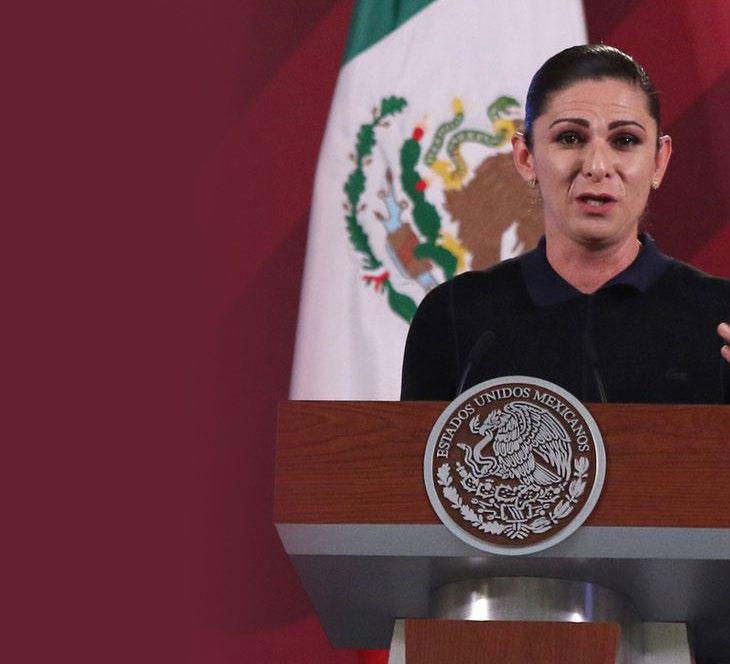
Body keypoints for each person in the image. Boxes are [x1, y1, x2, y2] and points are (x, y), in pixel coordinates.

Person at [401, 44, 730, 403]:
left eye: (625, 140)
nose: (598, 166)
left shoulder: (721, 318)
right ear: (526, 157)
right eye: (570, 138)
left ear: (659, 161)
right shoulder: (454, 316)